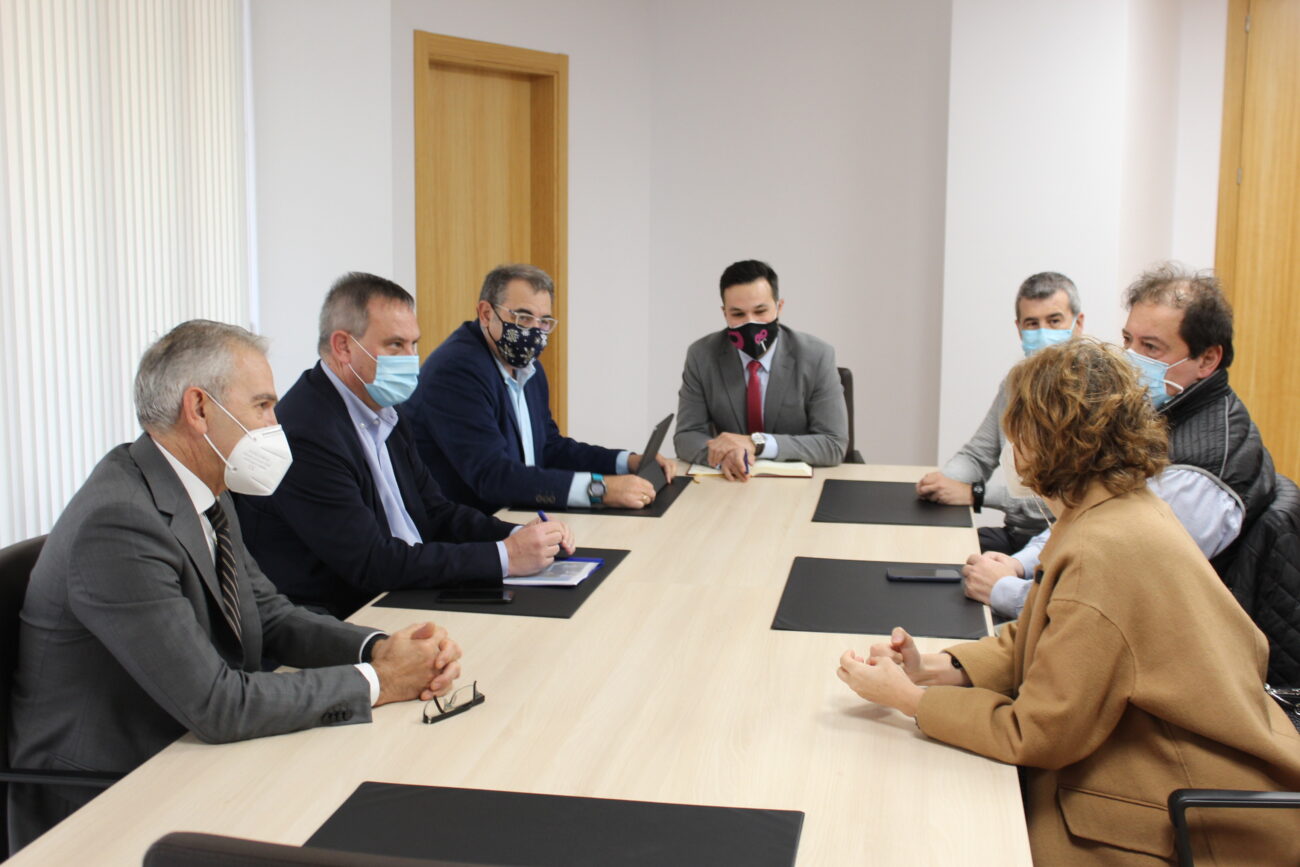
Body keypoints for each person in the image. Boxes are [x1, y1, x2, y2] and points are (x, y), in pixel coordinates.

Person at [836, 338, 1300, 864]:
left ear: (1046, 441)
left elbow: (1037, 733)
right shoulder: (1110, 506)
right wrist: (938, 668)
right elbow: (1053, 629)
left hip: (1181, 804)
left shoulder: (1102, 547)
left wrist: (910, 700)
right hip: (1173, 759)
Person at [7, 321, 463, 853]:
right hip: (107, 801)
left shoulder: (205, 485)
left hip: (188, 751)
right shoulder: (118, 523)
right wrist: (380, 682)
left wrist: (379, 648)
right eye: (263, 406)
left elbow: (267, 614)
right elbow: (217, 703)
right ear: (199, 410)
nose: (277, 424)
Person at [234, 273, 573, 619]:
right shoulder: (307, 430)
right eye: (396, 345)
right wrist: (505, 556)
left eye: (414, 344)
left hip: (404, 591)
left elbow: (436, 512)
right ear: (343, 347)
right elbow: (372, 562)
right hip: (347, 615)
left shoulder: (386, 410)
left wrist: (520, 534)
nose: (411, 359)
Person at [962, 265, 1278, 618]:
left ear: (1207, 359)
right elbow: (1084, 516)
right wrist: (1018, 565)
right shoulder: (1156, 409)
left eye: (1151, 347)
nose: (1130, 357)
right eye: (1128, 340)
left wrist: (1006, 590)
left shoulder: (1197, 476)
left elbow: (1115, 595)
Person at [404, 264, 674, 514]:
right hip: (467, 536)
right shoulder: (457, 370)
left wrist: (626, 462)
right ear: (486, 313)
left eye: (543, 321)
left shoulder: (527, 367)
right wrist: (599, 489)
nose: (534, 331)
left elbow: (549, 447)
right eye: (523, 318)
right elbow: (493, 476)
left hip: (519, 517)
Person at [916, 271, 1083, 554]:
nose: (1042, 332)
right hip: (1018, 534)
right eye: (1032, 323)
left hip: (1067, 541)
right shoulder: (1014, 384)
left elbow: (1066, 496)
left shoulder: (1096, 392)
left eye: (1054, 321)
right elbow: (977, 455)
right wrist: (943, 481)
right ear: (1019, 329)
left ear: (1078, 324)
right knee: (936, 553)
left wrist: (975, 494)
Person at [673, 259, 848, 480]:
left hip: (798, 485)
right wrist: (725, 453)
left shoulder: (816, 356)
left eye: (760, 311)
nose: (751, 322)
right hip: (731, 483)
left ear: (779, 307)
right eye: (738, 314)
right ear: (724, 313)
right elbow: (686, 436)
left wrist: (756, 443)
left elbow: (833, 444)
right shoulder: (702, 356)